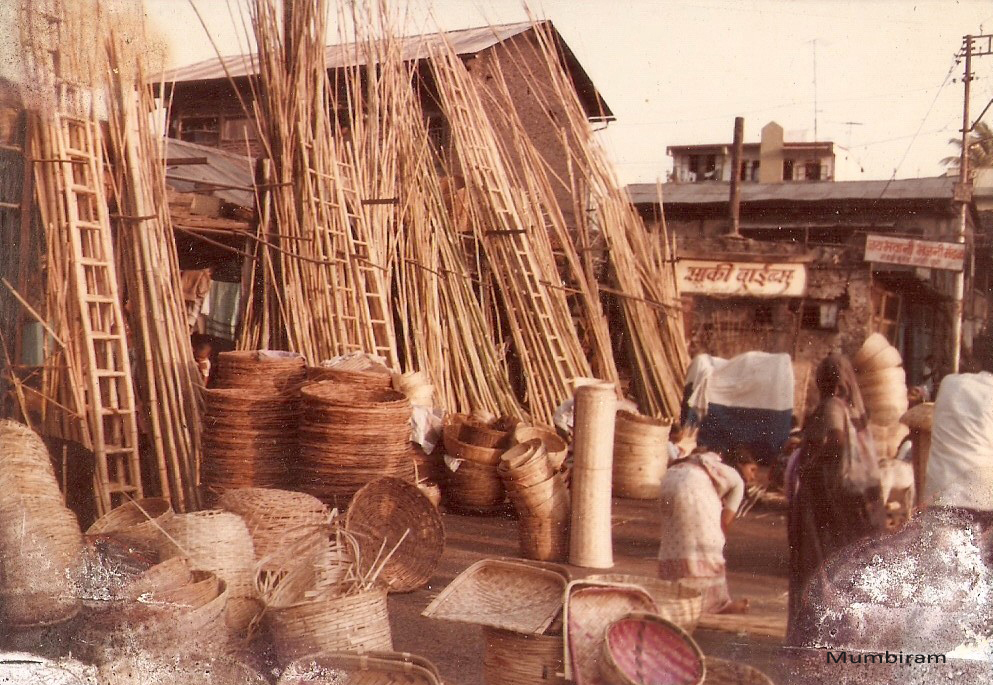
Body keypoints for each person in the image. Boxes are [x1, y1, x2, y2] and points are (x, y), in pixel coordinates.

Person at [787, 353, 886, 644]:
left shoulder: (831, 406)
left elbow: (837, 443)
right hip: (839, 498)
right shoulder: (851, 410)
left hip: (823, 496)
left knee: (816, 562)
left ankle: (816, 632)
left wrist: (810, 462)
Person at [657, 445, 757, 614]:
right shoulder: (736, 480)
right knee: (707, 548)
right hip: (691, 485)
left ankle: (675, 598)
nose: (753, 476)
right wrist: (717, 548)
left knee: (676, 543)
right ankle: (713, 604)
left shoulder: (710, 464)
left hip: (669, 479)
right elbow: (724, 522)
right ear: (740, 465)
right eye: (752, 469)